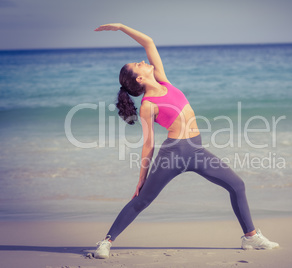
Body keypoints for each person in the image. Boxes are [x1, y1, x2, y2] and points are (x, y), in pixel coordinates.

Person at [93, 23, 279, 259]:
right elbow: (148, 144)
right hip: (173, 153)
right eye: (138, 65)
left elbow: (148, 42)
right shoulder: (148, 105)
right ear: (140, 78)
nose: (142, 61)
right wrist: (141, 178)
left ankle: (250, 237)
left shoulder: (163, 80)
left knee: (237, 185)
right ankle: (106, 242)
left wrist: (121, 27)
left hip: (197, 150)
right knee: (143, 200)